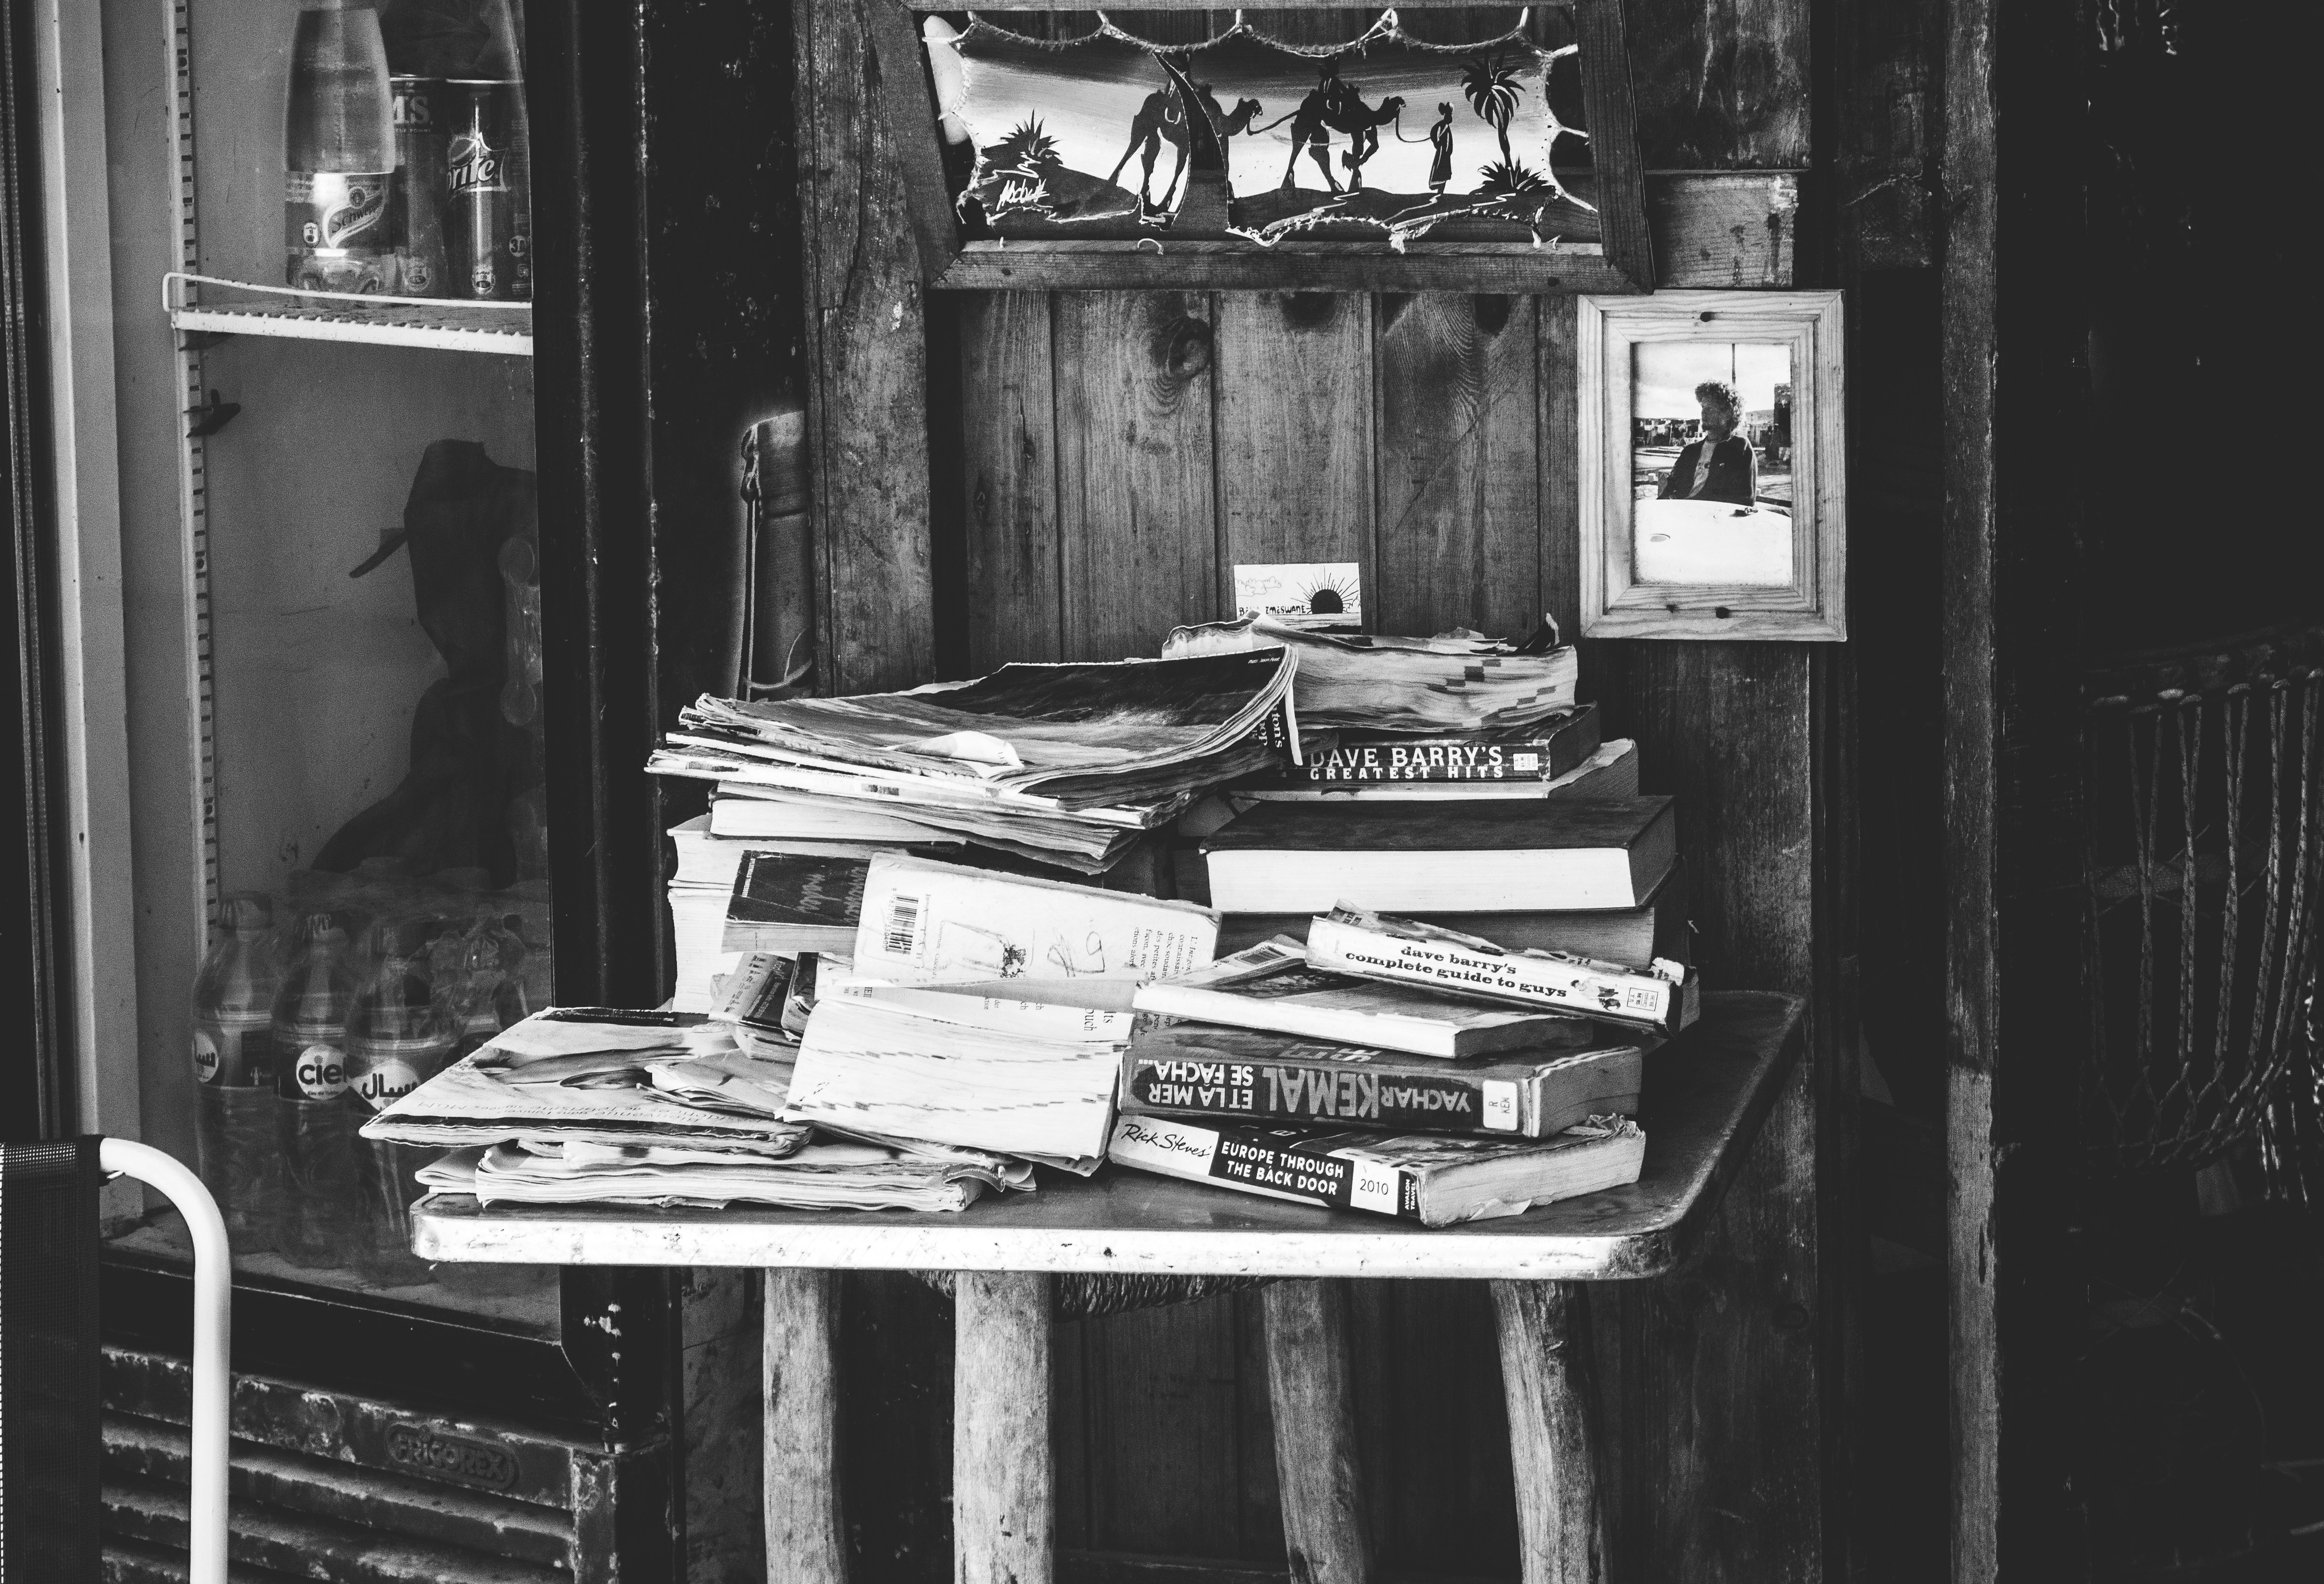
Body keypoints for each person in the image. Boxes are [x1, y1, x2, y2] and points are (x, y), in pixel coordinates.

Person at [1656, 380, 1760, 506]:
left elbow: (1745, 499)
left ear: (1727, 413)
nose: (1704, 413)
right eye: (1703, 408)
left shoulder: (1739, 448)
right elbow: (1670, 488)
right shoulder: (1690, 451)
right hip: (1682, 512)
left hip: (1713, 515)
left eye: (1710, 408)